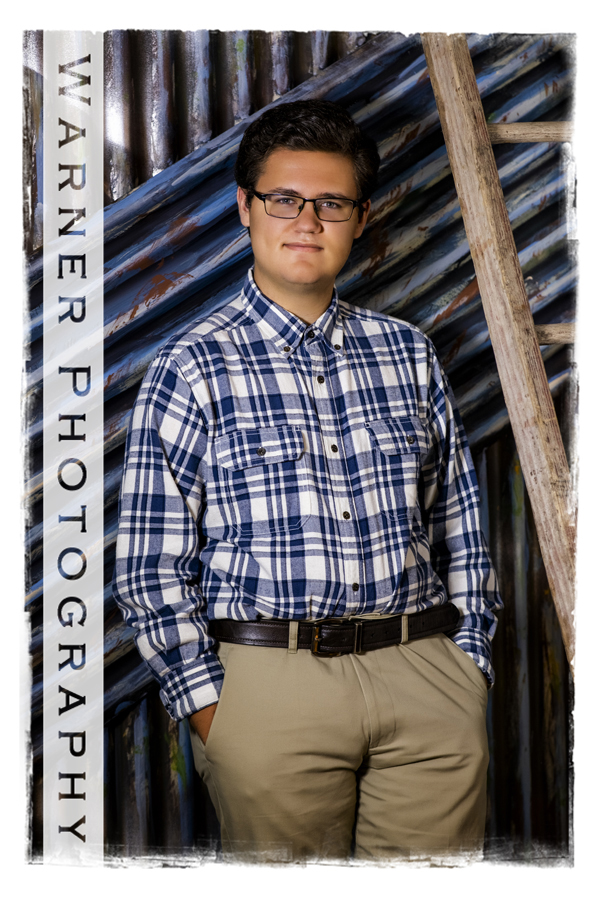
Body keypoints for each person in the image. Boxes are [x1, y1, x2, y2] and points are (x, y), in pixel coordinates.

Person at [113, 99, 502, 864]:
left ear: (360, 217)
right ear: (244, 209)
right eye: (283, 199)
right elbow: (150, 567)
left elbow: (459, 524)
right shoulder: (191, 367)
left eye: (330, 203)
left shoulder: (408, 354)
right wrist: (210, 709)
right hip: (267, 685)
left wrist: (470, 668)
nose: (306, 221)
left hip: (425, 676)